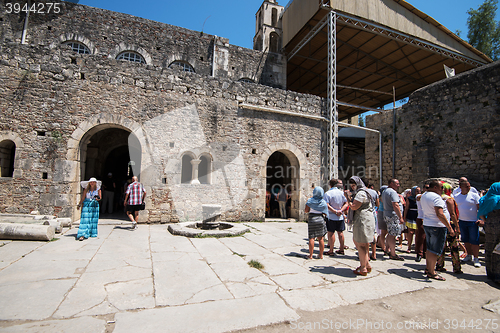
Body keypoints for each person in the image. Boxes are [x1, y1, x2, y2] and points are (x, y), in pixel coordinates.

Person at [421, 180, 455, 281]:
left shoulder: (424, 195)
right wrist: (449, 227)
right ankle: (432, 272)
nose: (443, 190)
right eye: (441, 188)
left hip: (428, 224)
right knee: (435, 250)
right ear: (435, 187)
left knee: (430, 248)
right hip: (437, 226)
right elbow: (440, 214)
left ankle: (428, 268)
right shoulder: (436, 197)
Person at [346, 176, 375, 276]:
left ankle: (363, 268)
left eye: (354, 185)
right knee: (364, 244)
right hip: (366, 219)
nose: (352, 187)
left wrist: (347, 198)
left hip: (362, 221)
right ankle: (367, 264)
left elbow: (354, 207)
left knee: (361, 244)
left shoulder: (361, 193)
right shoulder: (364, 192)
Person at [453, 180, 482, 267]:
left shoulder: (474, 195)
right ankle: (468, 255)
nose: (469, 188)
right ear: (461, 187)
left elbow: (479, 208)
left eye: (469, 186)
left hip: (473, 221)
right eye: (466, 186)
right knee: (465, 239)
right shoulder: (457, 196)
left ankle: (476, 258)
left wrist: (480, 219)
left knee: (474, 240)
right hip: (462, 221)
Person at [435, 182, 462, 274]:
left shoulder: (437, 199)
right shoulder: (449, 200)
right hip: (450, 224)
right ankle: (456, 267)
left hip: (440, 224)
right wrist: (457, 227)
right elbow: (453, 214)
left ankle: (439, 265)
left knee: (441, 246)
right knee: (454, 246)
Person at [478, 182, 500, 282]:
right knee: (498, 249)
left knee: (490, 247)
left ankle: (491, 273)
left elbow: (481, 214)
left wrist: (487, 222)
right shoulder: (498, 199)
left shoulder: (486, 199)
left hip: (490, 224)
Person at [323, 179, 348, 255]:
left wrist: (335, 211)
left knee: (331, 233)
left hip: (331, 216)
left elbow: (327, 205)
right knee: (340, 232)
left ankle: (331, 250)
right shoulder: (341, 193)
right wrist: (340, 210)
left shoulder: (328, 193)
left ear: (330, 185)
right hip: (340, 216)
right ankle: (341, 248)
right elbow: (346, 203)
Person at [381, 179, 405, 260]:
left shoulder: (385, 191)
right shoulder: (392, 192)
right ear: (391, 183)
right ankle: (393, 253)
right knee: (393, 235)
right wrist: (400, 217)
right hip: (393, 216)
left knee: (390, 233)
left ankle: (387, 249)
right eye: (397, 184)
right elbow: (395, 204)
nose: (398, 185)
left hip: (387, 214)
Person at [304, 186, 329, 259]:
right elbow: (325, 213)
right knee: (320, 238)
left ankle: (310, 255)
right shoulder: (323, 202)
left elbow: (306, 210)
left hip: (312, 219)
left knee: (312, 238)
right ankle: (321, 255)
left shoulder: (310, 201)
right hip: (320, 219)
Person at [404, 186, 420, 254]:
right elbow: (406, 208)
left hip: (418, 215)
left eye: (419, 191)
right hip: (411, 215)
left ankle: (417, 247)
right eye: (417, 191)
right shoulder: (409, 199)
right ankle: (409, 247)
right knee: (410, 232)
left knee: (417, 232)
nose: (418, 192)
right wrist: (404, 217)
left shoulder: (420, 198)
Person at [414, 184, 428, 262]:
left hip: (428, 218)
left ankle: (425, 252)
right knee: (421, 236)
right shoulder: (420, 196)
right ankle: (419, 253)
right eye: (426, 188)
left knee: (427, 237)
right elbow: (419, 197)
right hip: (421, 218)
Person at [377, 186, 388, 255]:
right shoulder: (381, 198)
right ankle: (383, 247)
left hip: (385, 213)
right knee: (383, 232)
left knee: (386, 232)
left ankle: (384, 245)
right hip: (382, 213)